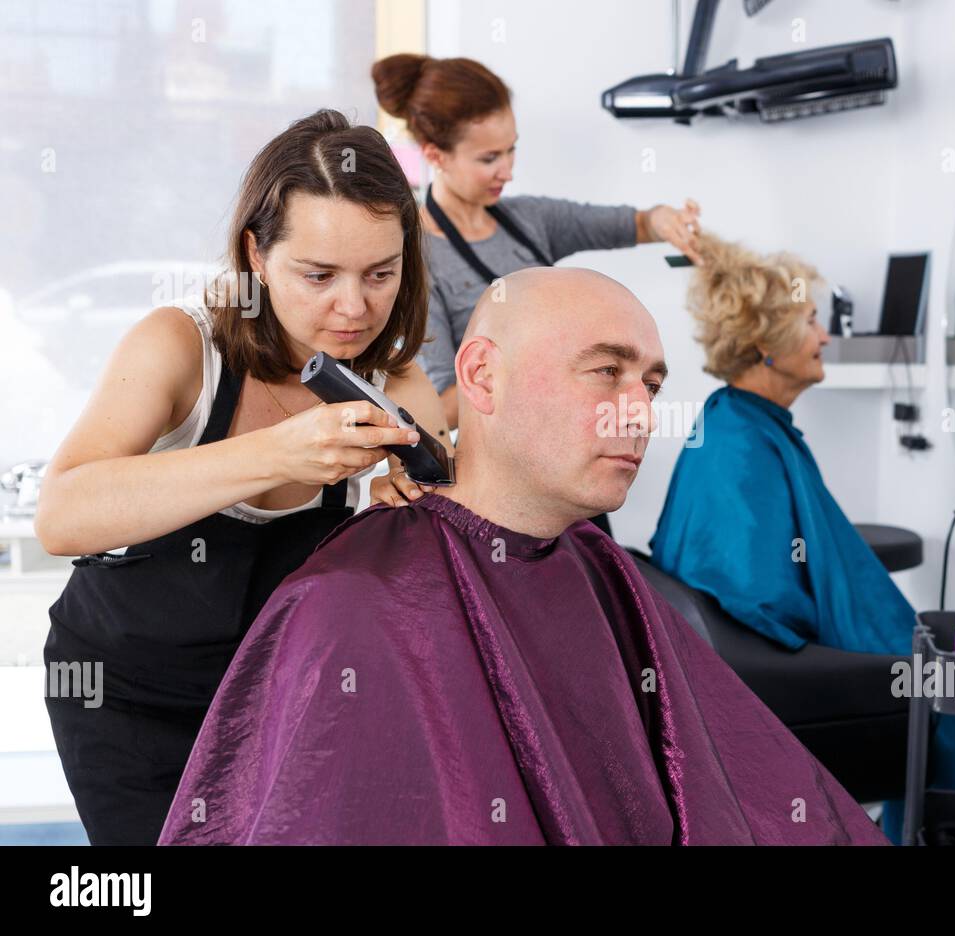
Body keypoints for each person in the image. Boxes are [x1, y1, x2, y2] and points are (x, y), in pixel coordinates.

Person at [157, 267, 888, 846]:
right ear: (480, 378)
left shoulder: (599, 572)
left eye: (653, 385)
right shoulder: (353, 604)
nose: (640, 412)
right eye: (606, 372)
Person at [34, 109, 450, 845]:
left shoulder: (388, 377)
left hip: (268, 696)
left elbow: (448, 497)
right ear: (256, 255)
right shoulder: (179, 346)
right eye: (317, 275)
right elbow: (62, 513)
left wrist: (413, 499)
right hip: (122, 696)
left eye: (380, 274)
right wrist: (277, 455)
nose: (353, 308)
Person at [649, 233, 955, 842]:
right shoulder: (742, 443)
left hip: (819, 646)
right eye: (810, 321)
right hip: (797, 673)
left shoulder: (742, 423)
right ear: (767, 345)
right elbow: (754, 593)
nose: (825, 336)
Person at [370, 54, 702, 540]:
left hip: (570, 459)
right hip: (509, 483)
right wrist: (536, 374)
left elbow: (629, 223)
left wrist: (664, 221)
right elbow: (438, 407)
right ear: (435, 155)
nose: (506, 170)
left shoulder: (526, 219)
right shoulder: (416, 259)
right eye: (488, 158)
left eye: (511, 150)